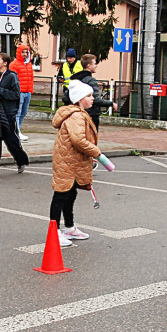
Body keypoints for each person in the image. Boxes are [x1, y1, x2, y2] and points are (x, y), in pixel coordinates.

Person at [49, 80, 106, 247]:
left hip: (72, 161)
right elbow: (78, 140)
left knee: (70, 194)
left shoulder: (79, 113)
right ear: (79, 99)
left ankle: (69, 227)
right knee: (61, 195)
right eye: (88, 95)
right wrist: (96, 152)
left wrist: (90, 155)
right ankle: (54, 231)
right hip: (67, 162)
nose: (92, 98)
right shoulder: (77, 115)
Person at [0, 52, 30, 176]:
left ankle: (21, 160)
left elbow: (15, 95)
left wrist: (0, 90)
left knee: (11, 141)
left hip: (8, 114)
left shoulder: (11, 76)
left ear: (5, 63)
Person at [70, 53, 116, 132]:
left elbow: (65, 97)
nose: (96, 66)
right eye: (95, 63)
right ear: (88, 65)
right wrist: (111, 103)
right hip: (91, 114)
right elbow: (96, 100)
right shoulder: (91, 80)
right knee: (91, 138)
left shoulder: (76, 79)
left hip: (76, 112)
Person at [10, 43, 35, 141]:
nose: (24, 54)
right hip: (19, 92)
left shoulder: (29, 64)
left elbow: (31, 78)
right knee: (18, 112)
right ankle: (16, 132)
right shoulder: (14, 64)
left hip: (27, 91)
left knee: (23, 112)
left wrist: (30, 90)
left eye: (26, 52)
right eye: (23, 52)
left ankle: (17, 130)